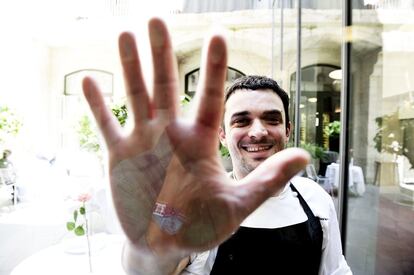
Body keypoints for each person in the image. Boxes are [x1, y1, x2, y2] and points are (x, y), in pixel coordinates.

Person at [82, 18, 351, 275]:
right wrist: (151, 235)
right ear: (222, 135)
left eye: (271, 119)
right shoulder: (201, 202)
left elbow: (336, 270)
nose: (258, 131)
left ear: (288, 131)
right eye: (241, 121)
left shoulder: (316, 201)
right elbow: (151, 271)